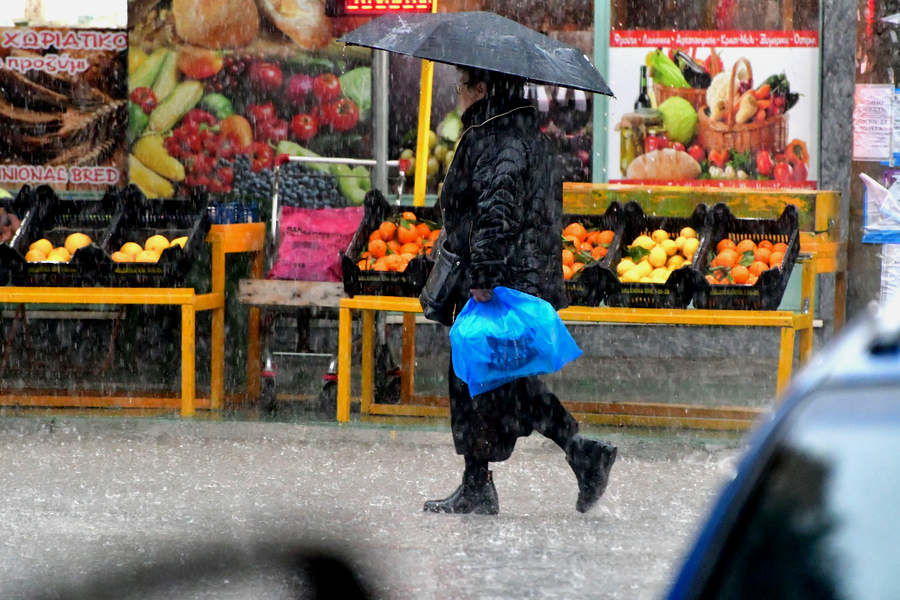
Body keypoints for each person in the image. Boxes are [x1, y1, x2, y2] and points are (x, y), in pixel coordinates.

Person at [423, 67, 618, 516]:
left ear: (481, 90)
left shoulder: (499, 138)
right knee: (491, 380)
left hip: (502, 280)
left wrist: (485, 274)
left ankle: (575, 456)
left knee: (486, 380)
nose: (457, 95)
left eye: (461, 87)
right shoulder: (519, 131)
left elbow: (498, 208)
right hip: (518, 276)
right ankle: (572, 457)